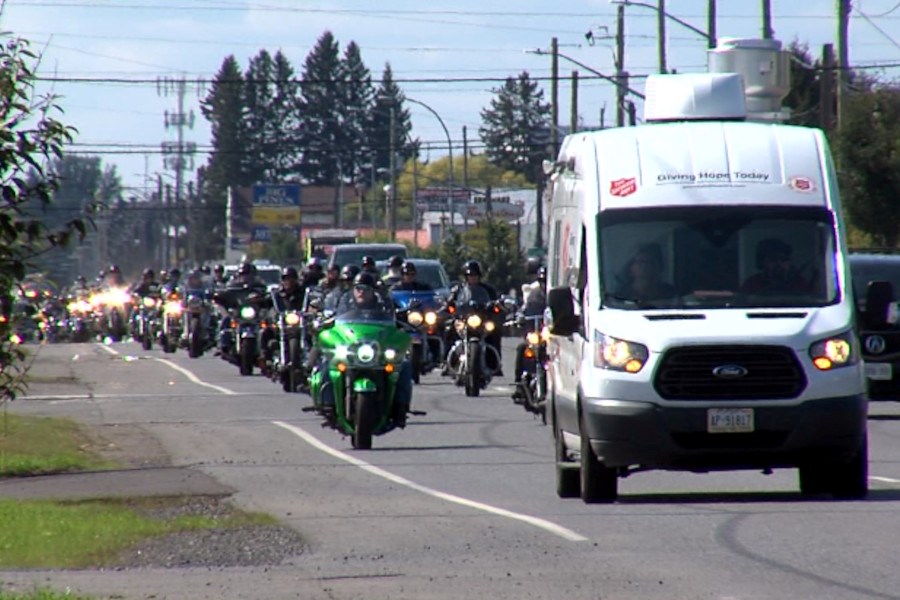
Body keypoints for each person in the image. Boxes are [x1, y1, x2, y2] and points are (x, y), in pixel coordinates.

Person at [319, 271, 412, 426]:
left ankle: (400, 407)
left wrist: (404, 321)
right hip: (351, 349)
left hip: (376, 350)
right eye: (358, 288)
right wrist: (324, 320)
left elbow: (395, 318)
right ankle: (327, 404)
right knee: (327, 363)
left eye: (366, 289)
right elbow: (333, 318)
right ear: (353, 289)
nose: (361, 292)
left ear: (372, 291)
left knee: (404, 366)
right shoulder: (344, 303)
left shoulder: (383, 304)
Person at [445, 259, 503, 373]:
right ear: (465, 276)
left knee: (495, 331)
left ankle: (495, 364)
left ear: (479, 275)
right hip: (464, 318)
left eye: (475, 275)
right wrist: (449, 304)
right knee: (448, 329)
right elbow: (450, 301)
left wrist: (496, 306)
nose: (472, 277)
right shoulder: (459, 289)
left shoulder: (488, 289)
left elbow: (496, 302)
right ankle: (446, 363)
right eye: (469, 275)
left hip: (482, 319)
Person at [514, 266, 547, 393]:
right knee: (522, 348)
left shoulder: (554, 295)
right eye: (542, 281)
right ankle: (518, 384)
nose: (544, 284)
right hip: (536, 332)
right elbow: (525, 309)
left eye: (546, 281)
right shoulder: (534, 295)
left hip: (550, 335)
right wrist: (520, 317)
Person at [740, 237, 811, 295]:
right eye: (773, 259)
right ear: (762, 261)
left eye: (784, 259)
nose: (779, 264)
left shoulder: (799, 283)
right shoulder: (751, 284)